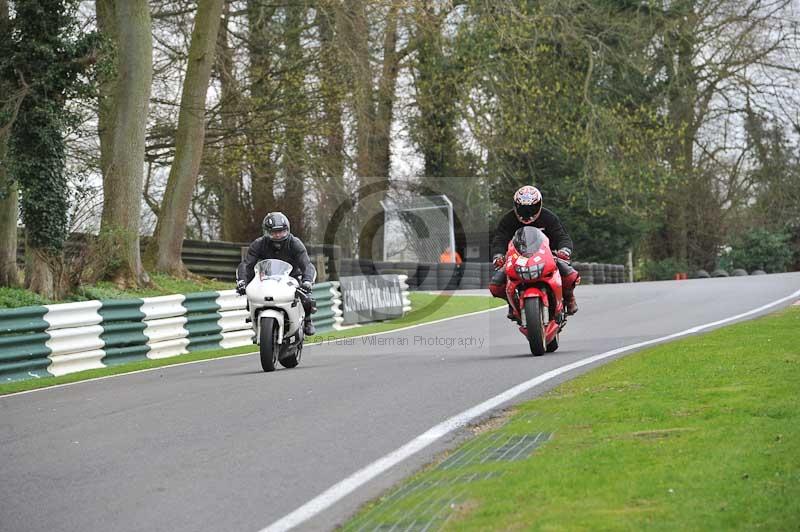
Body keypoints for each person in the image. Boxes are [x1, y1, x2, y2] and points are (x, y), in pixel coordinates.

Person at [489, 185, 580, 317]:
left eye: (532, 208)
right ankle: (512, 303)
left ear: (539, 205)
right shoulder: (508, 220)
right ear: (516, 206)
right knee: (495, 286)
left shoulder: (548, 217)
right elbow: (500, 239)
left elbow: (562, 236)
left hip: (547, 255)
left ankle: (569, 298)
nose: (527, 212)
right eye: (523, 208)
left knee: (570, 275)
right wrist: (498, 255)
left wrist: (564, 250)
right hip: (517, 257)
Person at [236, 212, 317, 336]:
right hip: (267, 279)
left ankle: (307, 320)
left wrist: (307, 281)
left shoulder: (295, 243)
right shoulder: (259, 244)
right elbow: (246, 265)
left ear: (287, 230)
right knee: (250, 298)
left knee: (306, 298)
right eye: (274, 232)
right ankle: (257, 322)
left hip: (292, 277)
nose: (278, 235)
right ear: (267, 232)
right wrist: (242, 281)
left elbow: (307, 265)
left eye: (281, 231)